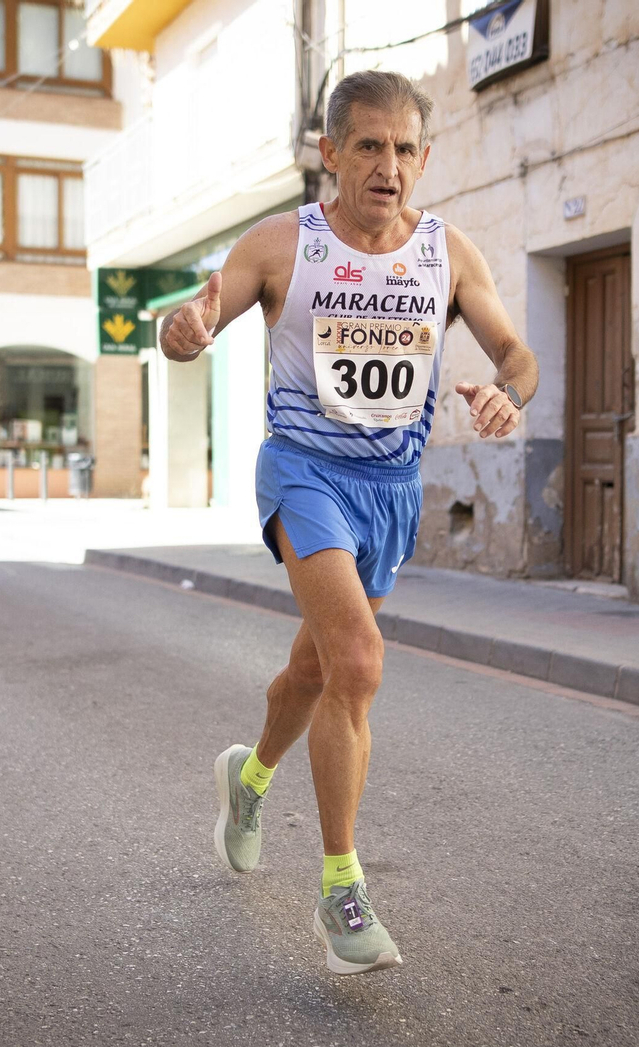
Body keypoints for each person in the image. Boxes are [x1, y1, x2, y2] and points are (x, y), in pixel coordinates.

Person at [159, 70, 538, 976]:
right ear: (331, 153)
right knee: (359, 662)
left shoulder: (448, 253)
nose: (389, 166)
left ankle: (247, 784)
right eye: (369, 145)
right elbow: (201, 314)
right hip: (304, 474)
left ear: (425, 159)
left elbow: (517, 356)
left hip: (390, 490)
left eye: (405, 149)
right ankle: (340, 890)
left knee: (313, 667)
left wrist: (508, 396)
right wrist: (185, 331)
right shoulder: (284, 245)